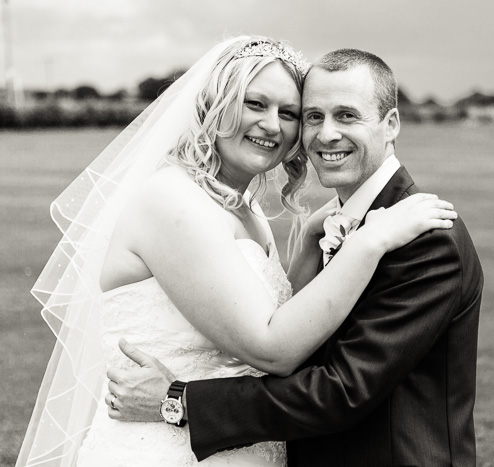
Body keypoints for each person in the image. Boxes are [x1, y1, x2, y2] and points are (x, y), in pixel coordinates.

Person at [16, 37, 458, 467]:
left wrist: (306, 243)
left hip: (235, 447)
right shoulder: (172, 203)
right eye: (255, 103)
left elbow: (285, 318)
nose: (273, 125)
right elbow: (273, 349)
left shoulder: (246, 213)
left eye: (288, 112)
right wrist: (367, 242)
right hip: (163, 447)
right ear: (216, 104)